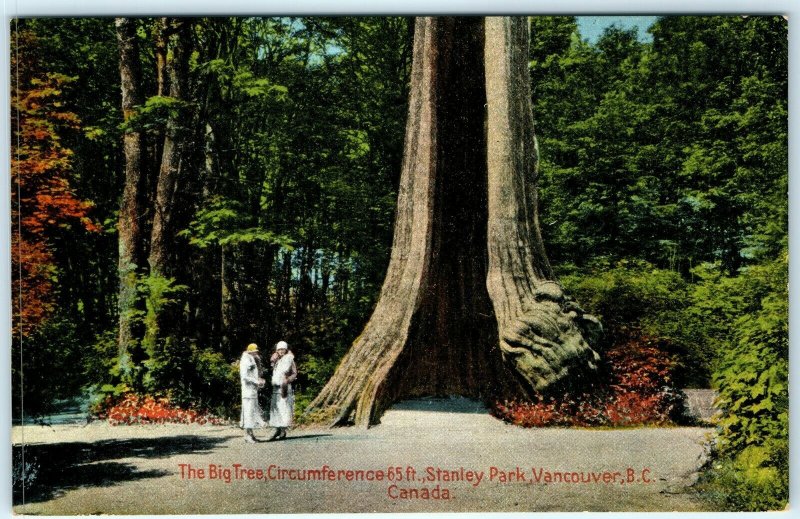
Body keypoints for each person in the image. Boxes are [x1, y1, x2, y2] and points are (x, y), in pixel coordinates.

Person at [268, 340, 297, 440]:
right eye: (279, 349)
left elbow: (294, 373)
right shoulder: (276, 360)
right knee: (276, 409)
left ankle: (283, 431)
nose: (281, 351)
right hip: (276, 388)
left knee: (284, 408)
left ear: (286, 349)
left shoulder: (289, 358)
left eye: (282, 349)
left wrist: (288, 380)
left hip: (284, 387)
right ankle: (277, 429)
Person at [239, 343, 266, 443]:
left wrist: (259, 381)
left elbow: (253, 374)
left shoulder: (252, 359)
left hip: (252, 391)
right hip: (247, 392)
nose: (256, 353)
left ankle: (251, 434)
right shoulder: (245, 360)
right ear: (250, 351)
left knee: (253, 413)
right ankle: (247, 435)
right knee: (248, 413)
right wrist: (256, 381)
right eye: (254, 351)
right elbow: (244, 376)